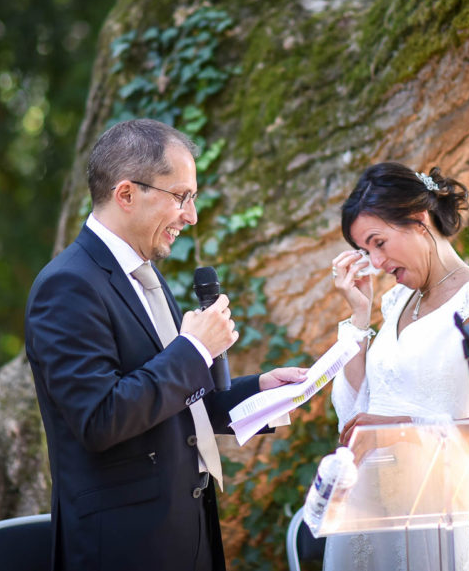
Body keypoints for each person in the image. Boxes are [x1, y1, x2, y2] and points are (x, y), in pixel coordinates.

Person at [25, 118, 306, 571]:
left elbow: (176, 406)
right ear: (127, 194)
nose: (191, 216)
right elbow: (100, 418)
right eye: (181, 196)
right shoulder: (67, 286)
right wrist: (194, 351)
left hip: (189, 531)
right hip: (124, 548)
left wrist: (261, 393)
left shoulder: (148, 278)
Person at [324, 162, 469, 571]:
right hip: (365, 511)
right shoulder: (397, 301)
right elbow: (359, 403)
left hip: (432, 519)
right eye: (366, 251)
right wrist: (359, 316)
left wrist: (400, 428)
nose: (376, 263)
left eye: (379, 242)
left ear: (418, 220)